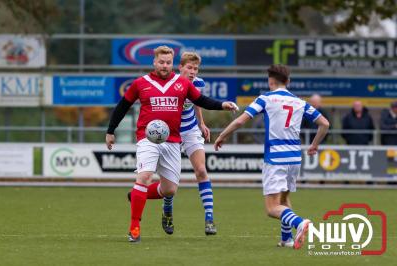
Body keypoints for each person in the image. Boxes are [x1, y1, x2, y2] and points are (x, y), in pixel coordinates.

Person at [105, 46, 238, 243]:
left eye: (168, 62)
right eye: (161, 62)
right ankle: (134, 227)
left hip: (173, 141)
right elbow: (123, 106)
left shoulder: (182, 83)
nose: (164, 66)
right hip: (147, 139)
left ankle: (136, 196)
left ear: (172, 63)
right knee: (145, 176)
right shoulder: (141, 83)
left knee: (169, 190)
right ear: (154, 62)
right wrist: (110, 131)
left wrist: (222, 105)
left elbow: (201, 100)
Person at [214, 64, 329, 249]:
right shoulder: (299, 102)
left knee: (272, 208)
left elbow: (241, 120)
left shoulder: (266, 99)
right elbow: (324, 123)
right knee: (283, 200)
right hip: (294, 158)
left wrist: (222, 136)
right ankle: (286, 239)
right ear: (288, 81)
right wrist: (314, 145)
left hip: (276, 158)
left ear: (270, 81)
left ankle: (300, 223)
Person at [161, 52, 217, 236]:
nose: (193, 72)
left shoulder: (198, 83)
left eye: (196, 68)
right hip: (171, 132)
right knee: (171, 182)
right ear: (180, 67)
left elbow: (197, 101)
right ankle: (167, 209)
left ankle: (209, 218)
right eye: (189, 68)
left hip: (191, 130)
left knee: (201, 171)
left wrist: (201, 123)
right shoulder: (169, 83)